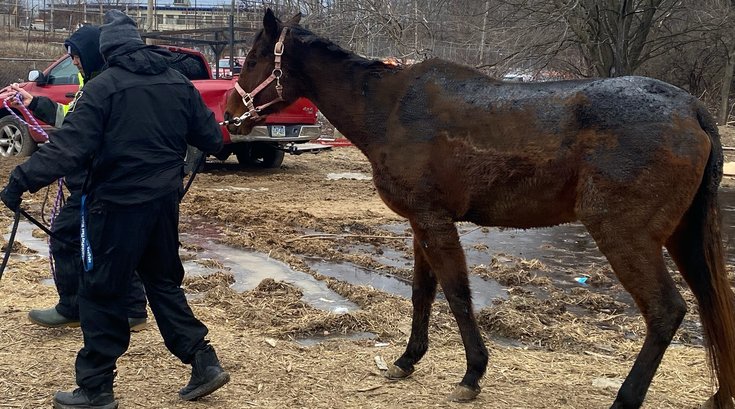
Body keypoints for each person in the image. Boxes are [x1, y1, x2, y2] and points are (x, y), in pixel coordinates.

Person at [0, 10, 229, 408]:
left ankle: (95, 388)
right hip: (162, 206)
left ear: (106, 52)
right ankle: (203, 362)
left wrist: (19, 182)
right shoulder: (177, 82)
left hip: (114, 208)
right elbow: (212, 138)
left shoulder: (103, 89)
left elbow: (68, 148)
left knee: (102, 292)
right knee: (163, 284)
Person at [0, 24, 148, 331]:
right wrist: (35, 103)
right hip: (96, 180)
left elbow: (73, 140)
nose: (73, 60)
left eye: (76, 55)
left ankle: (85, 307)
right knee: (103, 241)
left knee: (77, 238)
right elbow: (71, 118)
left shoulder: (104, 87)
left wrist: (24, 178)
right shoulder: (94, 84)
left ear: (93, 53)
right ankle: (114, 308)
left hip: (100, 182)